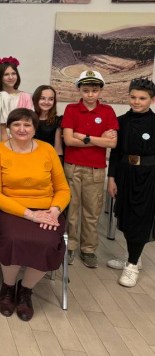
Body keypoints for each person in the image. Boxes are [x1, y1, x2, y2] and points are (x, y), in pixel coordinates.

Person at [0, 108, 70, 321]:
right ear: (9, 128)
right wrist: (30, 215)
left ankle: (26, 290)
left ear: (34, 128)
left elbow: (63, 188)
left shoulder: (47, 150)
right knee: (14, 238)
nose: (21, 129)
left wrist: (54, 210)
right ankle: (8, 287)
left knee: (48, 242)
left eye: (27, 125)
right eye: (16, 124)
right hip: (8, 209)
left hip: (47, 210)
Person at [62, 70, 118, 268]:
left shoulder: (107, 111)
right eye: (86, 90)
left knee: (92, 212)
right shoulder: (71, 109)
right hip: (73, 167)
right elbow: (68, 140)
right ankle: (70, 246)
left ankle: (88, 249)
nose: (90, 94)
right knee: (72, 209)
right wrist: (99, 140)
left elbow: (112, 143)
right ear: (79, 90)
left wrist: (84, 137)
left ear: (100, 90)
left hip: (96, 169)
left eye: (94, 90)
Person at [106, 78, 155, 287]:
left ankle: (132, 265)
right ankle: (134, 256)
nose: (136, 102)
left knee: (141, 218)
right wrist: (111, 178)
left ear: (152, 100)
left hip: (149, 176)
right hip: (125, 174)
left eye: (142, 98)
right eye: (133, 97)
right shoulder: (121, 121)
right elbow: (116, 153)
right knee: (126, 217)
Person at [0, 57, 33, 140]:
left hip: (18, 139)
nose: (11, 77)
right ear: (0, 77)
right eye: (6, 74)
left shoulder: (26, 97)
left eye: (13, 73)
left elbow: (29, 121)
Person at [32, 85, 63, 156]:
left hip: (50, 157)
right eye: (42, 98)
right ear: (36, 99)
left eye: (51, 99)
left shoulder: (58, 120)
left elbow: (58, 148)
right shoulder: (29, 119)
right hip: (31, 156)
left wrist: (58, 161)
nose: (46, 102)